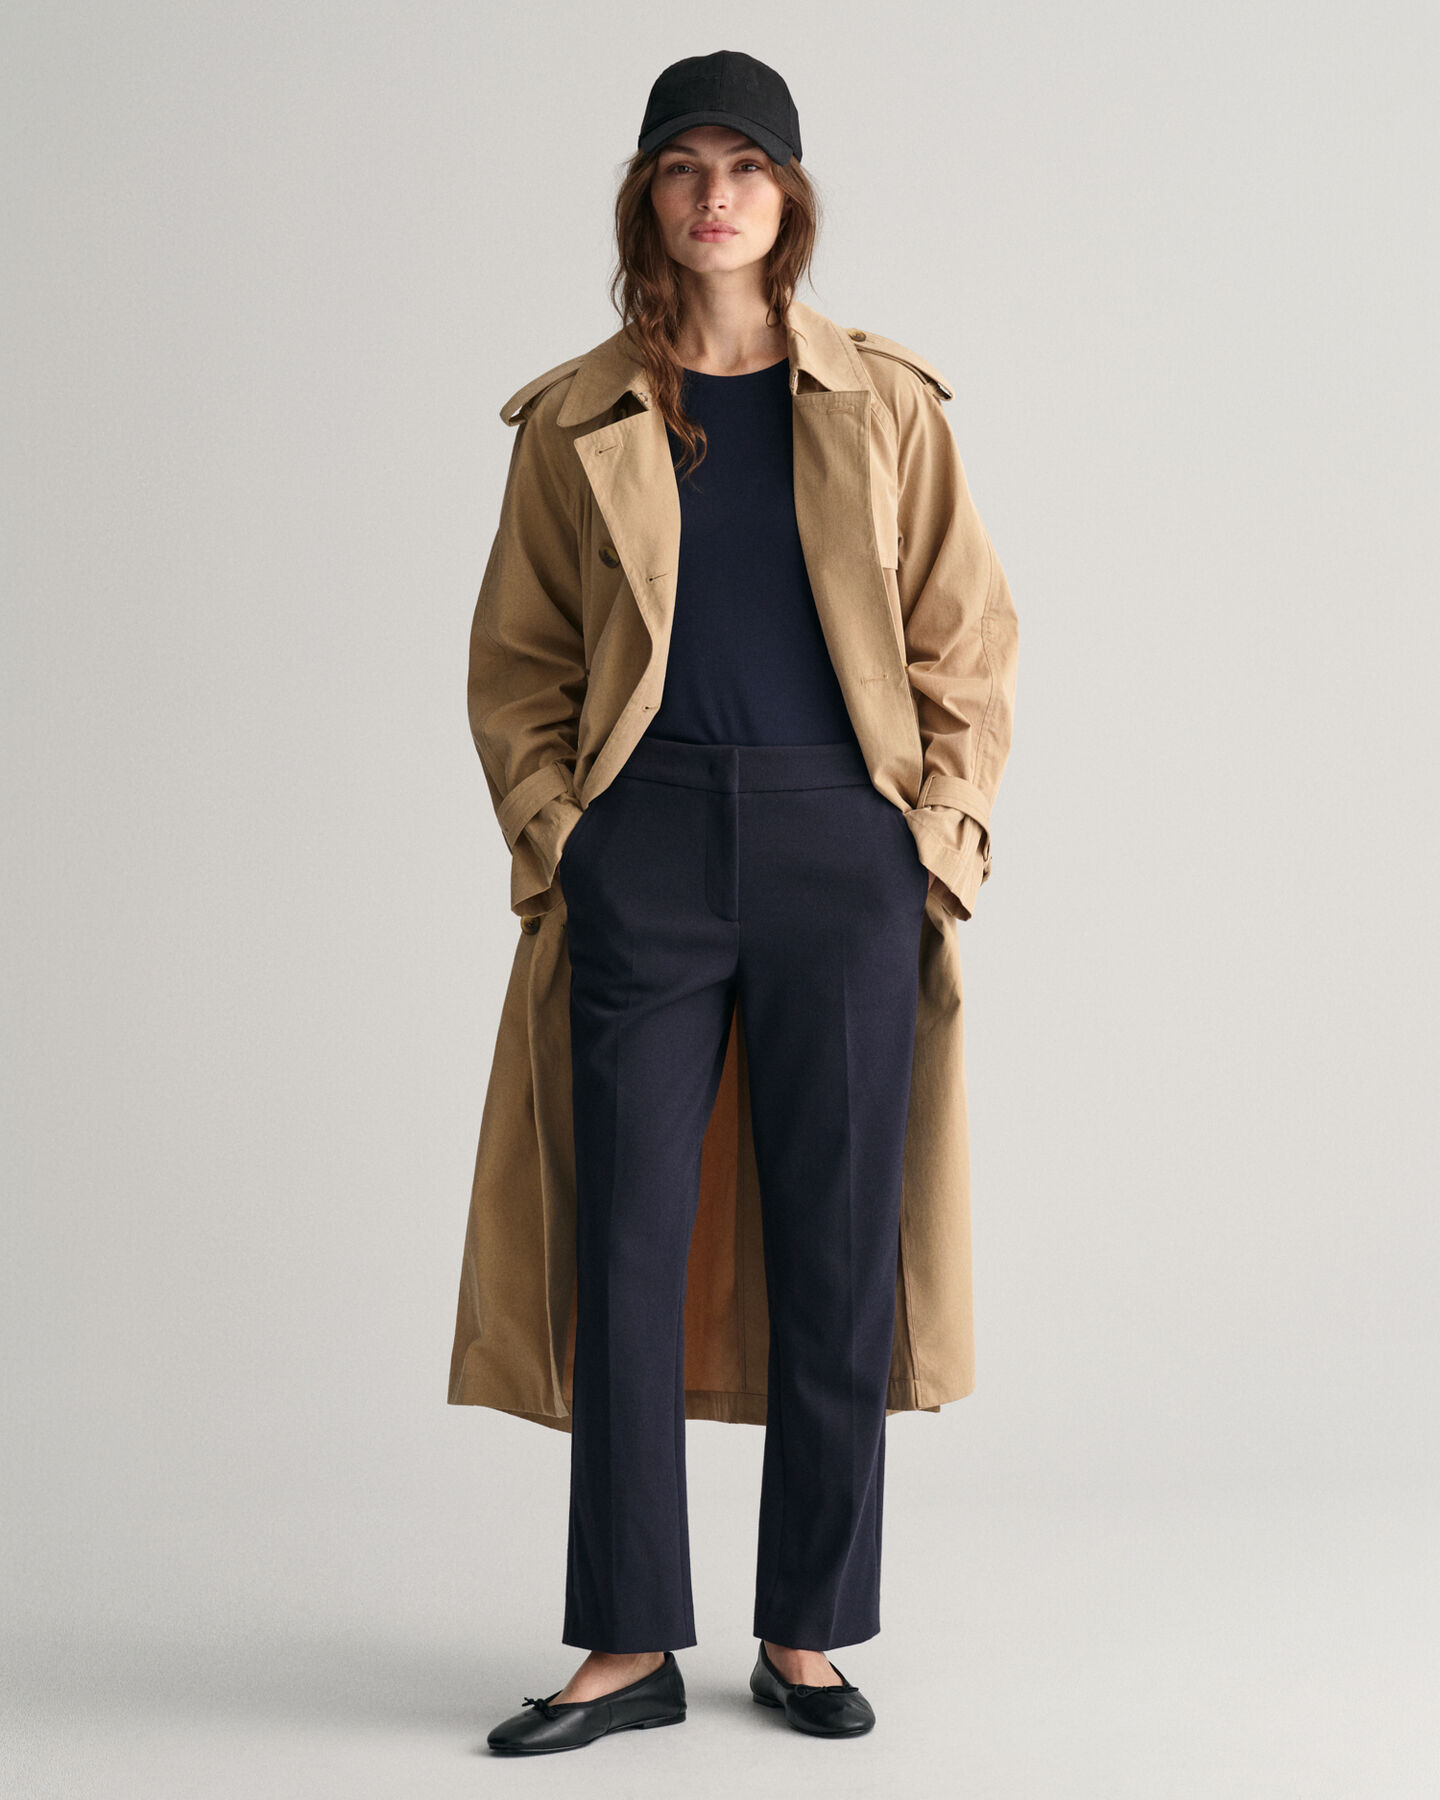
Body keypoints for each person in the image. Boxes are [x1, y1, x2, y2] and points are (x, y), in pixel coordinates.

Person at [467, 49, 1019, 1755]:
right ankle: (627, 1644)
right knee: (624, 1246)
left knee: (840, 1247)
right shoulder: (578, 417)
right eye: (685, 167)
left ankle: (806, 1632)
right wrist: (566, 836)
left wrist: (934, 842)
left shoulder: (885, 403)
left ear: (790, 198)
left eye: (748, 167)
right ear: (647, 196)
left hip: (839, 850)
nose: (717, 196)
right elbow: (519, 662)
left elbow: (968, 641)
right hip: (642, 851)